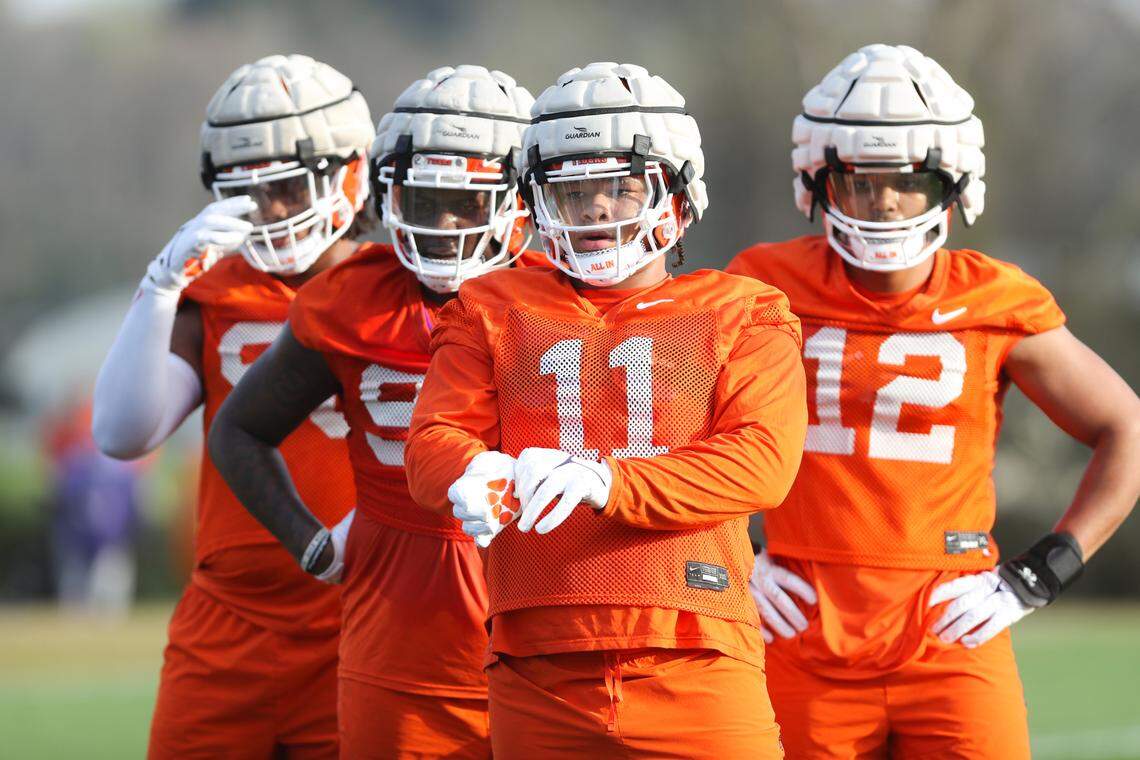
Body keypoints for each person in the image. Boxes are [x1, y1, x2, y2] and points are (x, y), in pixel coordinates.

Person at [728, 43, 1140, 759]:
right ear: (818, 181)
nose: (883, 201)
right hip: (799, 623)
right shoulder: (762, 286)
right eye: (860, 180)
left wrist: (1043, 572)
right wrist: (732, 554)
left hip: (950, 629)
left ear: (951, 183)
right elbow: (666, 429)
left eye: (908, 180)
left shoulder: (995, 296)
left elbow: (1125, 425)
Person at [405, 62, 808, 759]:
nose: (595, 208)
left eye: (621, 188)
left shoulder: (742, 310)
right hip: (537, 665)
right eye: (573, 188)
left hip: (695, 651)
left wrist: (606, 481)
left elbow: (761, 464)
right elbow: (433, 441)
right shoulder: (489, 307)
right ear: (536, 202)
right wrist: (469, 470)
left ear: (678, 197)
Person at [207, 65, 536, 759]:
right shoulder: (351, 300)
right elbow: (238, 429)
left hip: (545, 641)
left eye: (468, 204)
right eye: (423, 198)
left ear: (521, 200)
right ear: (387, 194)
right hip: (400, 651)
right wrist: (313, 545)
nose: (444, 225)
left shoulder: (564, 303)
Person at [91, 54, 372, 759]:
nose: (267, 211)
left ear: (348, 172)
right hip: (229, 619)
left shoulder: (392, 288)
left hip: (362, 614)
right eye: (243, 190)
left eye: (283, 184)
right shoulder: (215, 291)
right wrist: (159, 288)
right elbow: (124, 433)